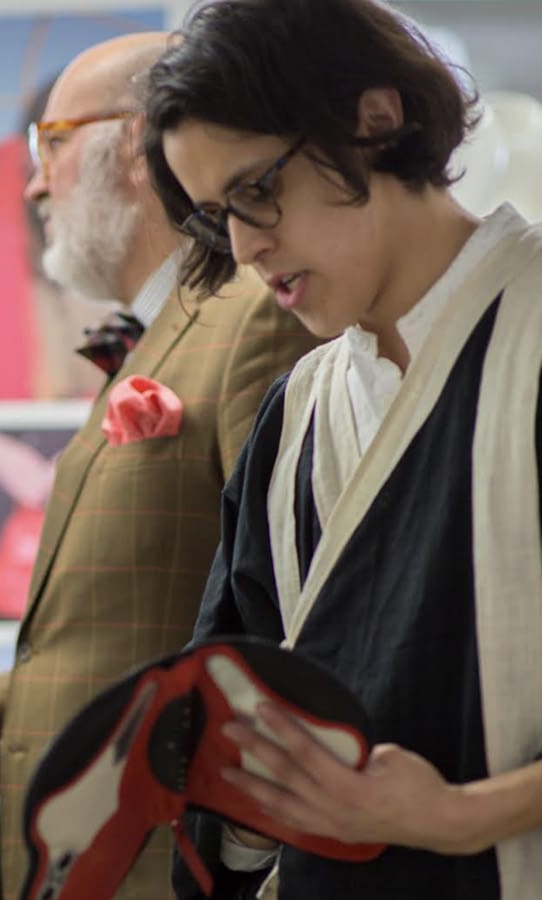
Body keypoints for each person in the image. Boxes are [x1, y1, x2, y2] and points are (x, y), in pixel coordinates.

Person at [0, 31, 320, 899]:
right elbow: (124, 655)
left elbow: (281, 639)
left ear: (132, 142)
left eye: (49, 146)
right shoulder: (155, 339)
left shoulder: (251, 323)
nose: (34, 182)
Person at [142, 1, 542, 898]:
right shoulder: (299, 414)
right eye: (216, 217)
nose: (247, 245)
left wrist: (457, 814)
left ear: (373, 120)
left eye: (257, 190)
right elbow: (229, 705)